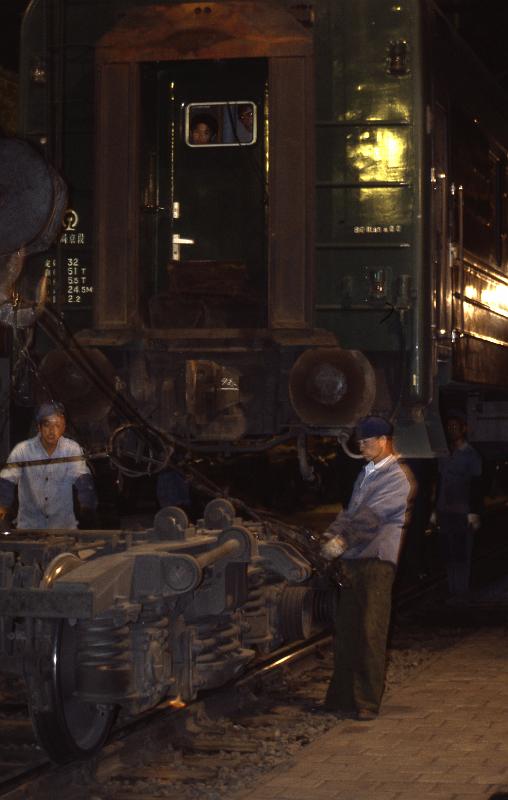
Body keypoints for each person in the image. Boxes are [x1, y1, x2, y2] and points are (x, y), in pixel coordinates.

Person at [317, 415, 413, 720]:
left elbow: (370, 518)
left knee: (371, 632)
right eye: (360, 441)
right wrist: (328, 537)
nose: (361, 446)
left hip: (376, 563)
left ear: (383, 441)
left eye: (366, 441)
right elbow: (350, 512)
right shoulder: (366, 474)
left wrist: (342, 542)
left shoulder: (396, 478)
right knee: (346, 631)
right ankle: (341, 698)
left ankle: (367, 702)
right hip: (354, 563)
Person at [0, 402, 97, 529]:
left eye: (57, 425)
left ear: (64, 427)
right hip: (29, 528)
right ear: (39, 427)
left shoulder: (72, 449)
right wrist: (3, 507)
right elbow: (6, 481)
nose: (52, 431)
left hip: (63, 528)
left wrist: (87, 506)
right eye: (47, 424)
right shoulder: (22, 450)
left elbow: (83, 480)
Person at [435, 410, 482, 600]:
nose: (452, 430)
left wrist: (474, 512)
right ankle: (452, 589)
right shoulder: (445, 454)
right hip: (445, 510)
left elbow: (478, 484)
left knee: (462, 552)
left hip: (463, 512)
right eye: (449, 427)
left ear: (464, 429)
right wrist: (434, 509)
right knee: (448, 551)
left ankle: (461, 591)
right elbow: (439, 481)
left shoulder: (471, 455)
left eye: (455, 427)